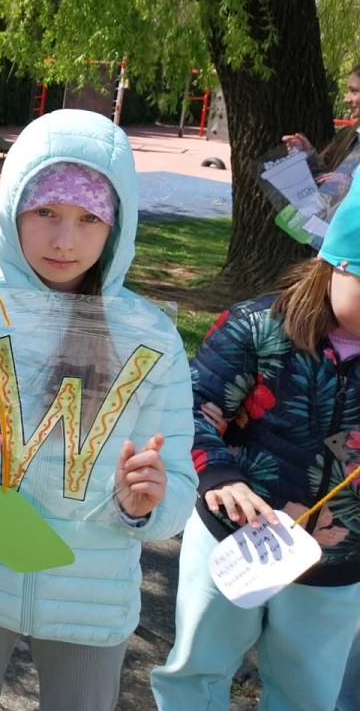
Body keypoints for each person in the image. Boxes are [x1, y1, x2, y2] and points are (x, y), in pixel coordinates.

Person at [0, 109, 197, 711]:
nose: (64, 240)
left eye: (89, 218)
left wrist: (147, 504)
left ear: (118, 224)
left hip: (92, 595)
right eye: (45, 212)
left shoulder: (151, 336)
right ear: (13, 208)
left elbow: (179, 482)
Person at [151, 183, 360, 711]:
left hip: (336, 560)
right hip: (233, 539)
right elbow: (190, 407)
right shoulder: (256, 326)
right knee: (195, 668)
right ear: (334, 263)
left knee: (308, 691)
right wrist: (218, 475)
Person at [283, 63, 360, 177]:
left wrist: (347, 182)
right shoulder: (347, 135)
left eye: (354, 91)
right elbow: (324, 175)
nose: (346, 99)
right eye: (348, 91)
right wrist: (308, 155)